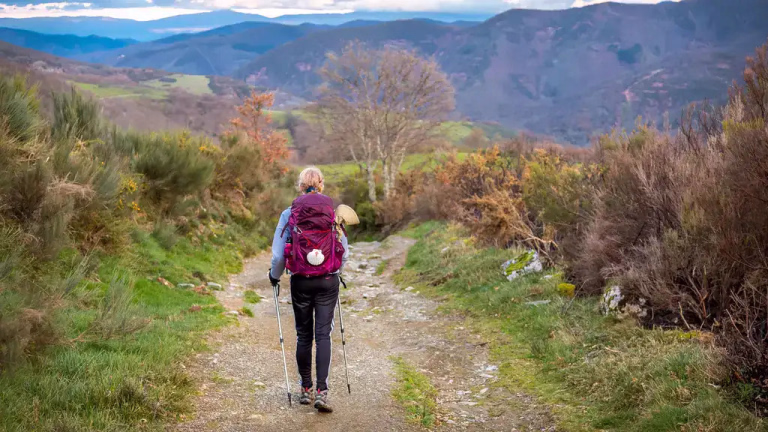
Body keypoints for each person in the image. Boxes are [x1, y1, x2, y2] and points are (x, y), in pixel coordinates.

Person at [269, 167, 348, 413]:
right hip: (327, 280)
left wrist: (274, 276)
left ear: (300, 186)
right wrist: (336, 269)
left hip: (301, 280)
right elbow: (344, 249)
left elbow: (279, 254)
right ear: (321, 185)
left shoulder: (289, 213)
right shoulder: (333, 213)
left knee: (304, 335)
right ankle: (322, 393)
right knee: (323, 335)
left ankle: (305, 388)